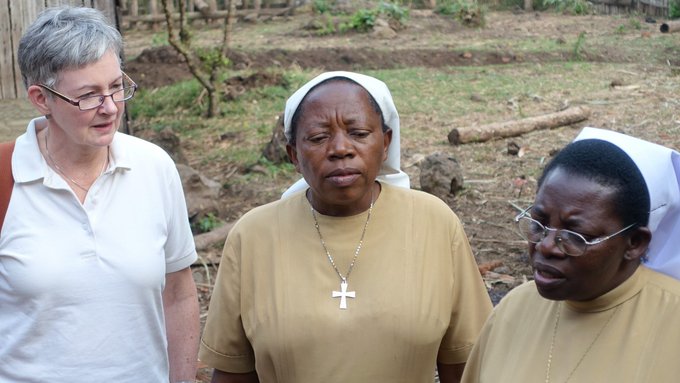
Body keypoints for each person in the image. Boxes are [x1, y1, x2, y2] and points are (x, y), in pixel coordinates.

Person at [199, 71, 493, 383]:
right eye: (318, 137)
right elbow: (233, 374)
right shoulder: (253, 235)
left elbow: (466, 364)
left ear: (385, 143)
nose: (341, 148)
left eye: (359, 133)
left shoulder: (434, 223)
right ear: (293, 155)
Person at [0, 6, 199, 382]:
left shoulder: (154, 167)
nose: (110, 108)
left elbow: (178, 293)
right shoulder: (3, 177)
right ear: (42, 99)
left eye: (116, 86)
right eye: (88, 96)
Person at [461, 132, 680, 383]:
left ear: (634, 243)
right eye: (538, 224)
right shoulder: (514, 310)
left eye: (575, 236)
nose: (546, 246)